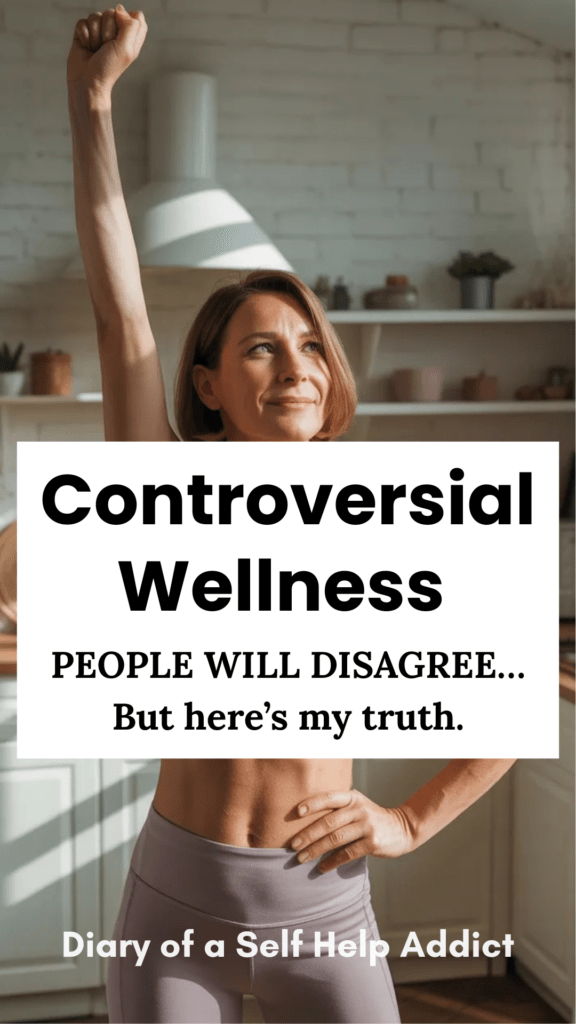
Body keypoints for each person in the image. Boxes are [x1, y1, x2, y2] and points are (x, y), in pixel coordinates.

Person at [67, 9, 516, 1023]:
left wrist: (409, 820)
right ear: (210, 385)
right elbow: (120, 314)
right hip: (176, 912)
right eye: (261, 347)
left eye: (311, 345)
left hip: (326, 914)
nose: (295, 365)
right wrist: (91, 101)